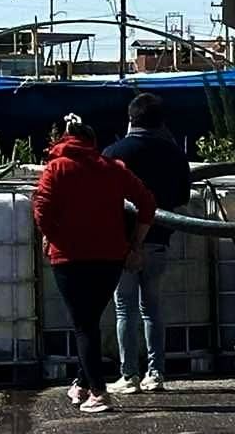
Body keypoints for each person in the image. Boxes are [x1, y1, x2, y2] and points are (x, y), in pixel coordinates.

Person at [32, 116, 157, 415]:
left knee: (83, 324)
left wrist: (54, 237)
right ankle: (83, 382)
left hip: (69, 258)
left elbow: (41, 210)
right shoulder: (113, 169)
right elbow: (148, 203)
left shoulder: (56, 169)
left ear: (63, 141)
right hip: (110, 257)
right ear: (92, 142)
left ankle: (99, 392)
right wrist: (135, 245)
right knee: (89, 321)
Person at [103, 92, 193, 393]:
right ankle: (156, 374)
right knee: (152, 308)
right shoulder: (175, 154)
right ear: (161, 121)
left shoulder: (114, 153)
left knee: (124, 309)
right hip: (159, 241)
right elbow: (182, 198)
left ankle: (128, 375)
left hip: (120, 245)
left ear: (131, 119)